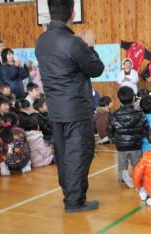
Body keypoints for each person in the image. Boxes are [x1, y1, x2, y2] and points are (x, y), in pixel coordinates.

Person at [36, 0, 105, 213]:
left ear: (49, 12)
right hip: (75, 108)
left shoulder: (42, 41)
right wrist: (90, 45)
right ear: (73, 13)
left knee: (65, 154)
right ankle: (74, 202)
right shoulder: (73, 43)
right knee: (80, 153)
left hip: (55, 109)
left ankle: (70, 195)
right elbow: (96, 69)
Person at [107, 86, 147, 182]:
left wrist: (114, 140)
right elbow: (145, 128)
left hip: (121, 145)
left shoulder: (114, 114)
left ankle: (122, 179)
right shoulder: (140, 113)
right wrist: (140, 138)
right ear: (134, 98)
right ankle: (138, 178)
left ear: (119, 99)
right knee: (137, 165)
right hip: (136, 145)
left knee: (122, 165)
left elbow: (109, 130)